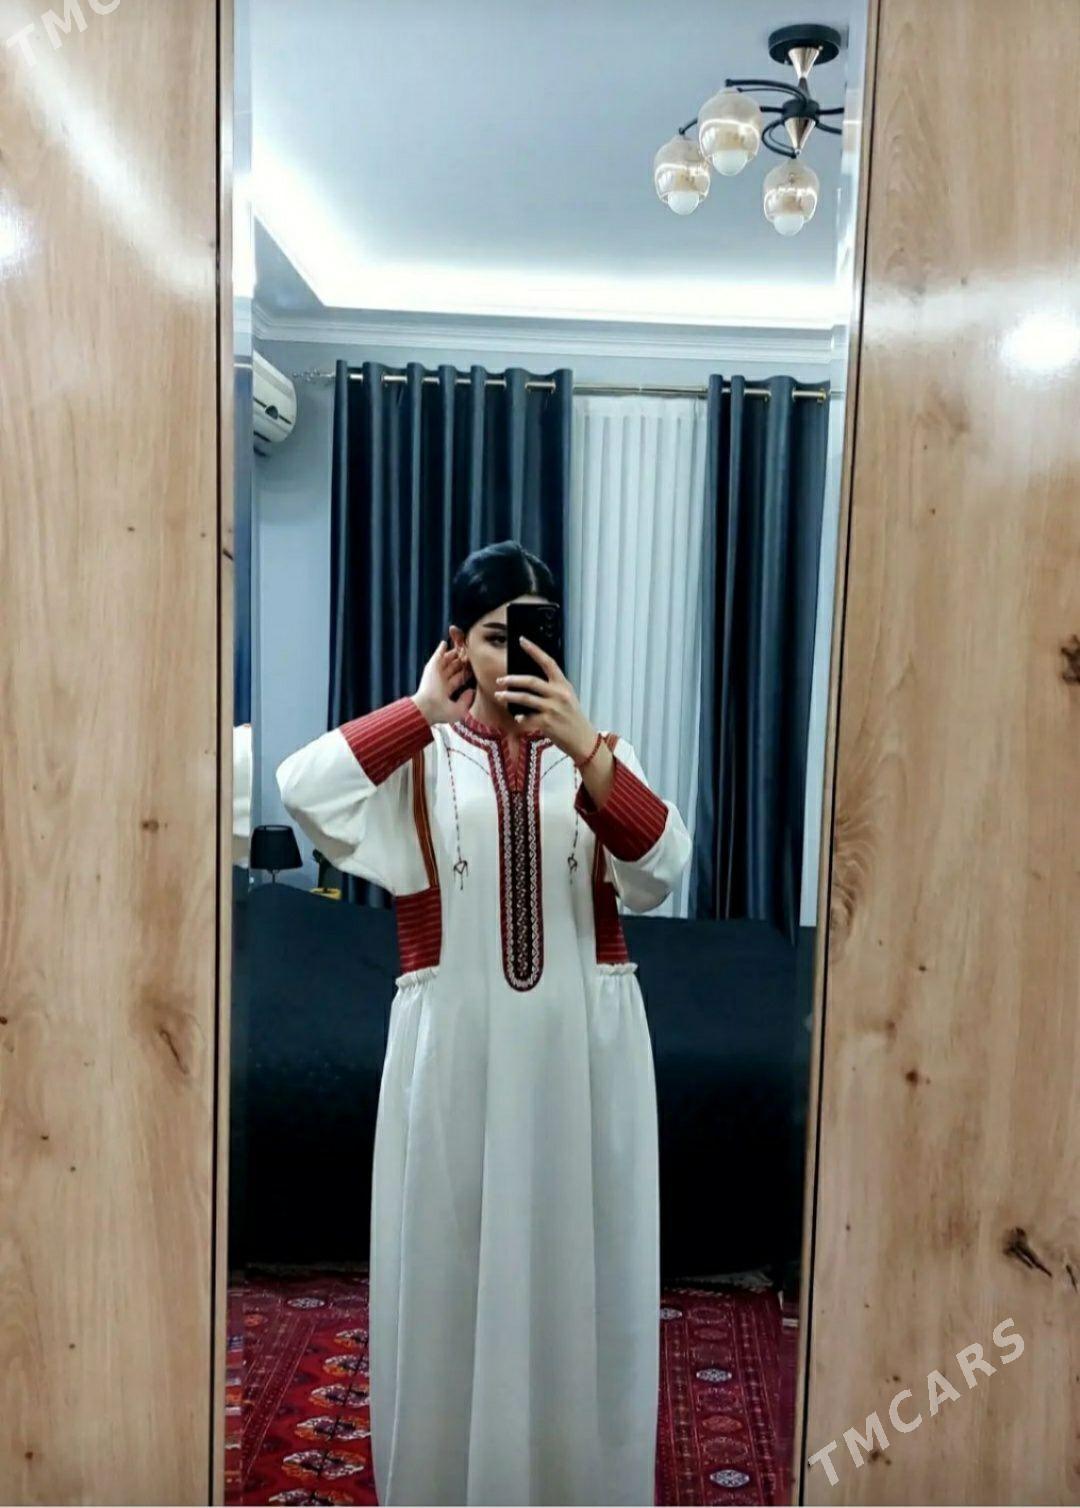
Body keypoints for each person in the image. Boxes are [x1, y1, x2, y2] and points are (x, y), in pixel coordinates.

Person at [277, 540, 692, 1506]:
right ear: (458, 644)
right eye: (498, 637)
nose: (519, 658)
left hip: (581, 1060)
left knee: (580, 1270)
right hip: (456, 1053)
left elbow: (664, 869)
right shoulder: (421, 760)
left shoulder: (599, 756)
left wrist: (587, 749)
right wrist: (422, 710)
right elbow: (303, 787)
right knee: (450, 1266)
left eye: (537, 635)